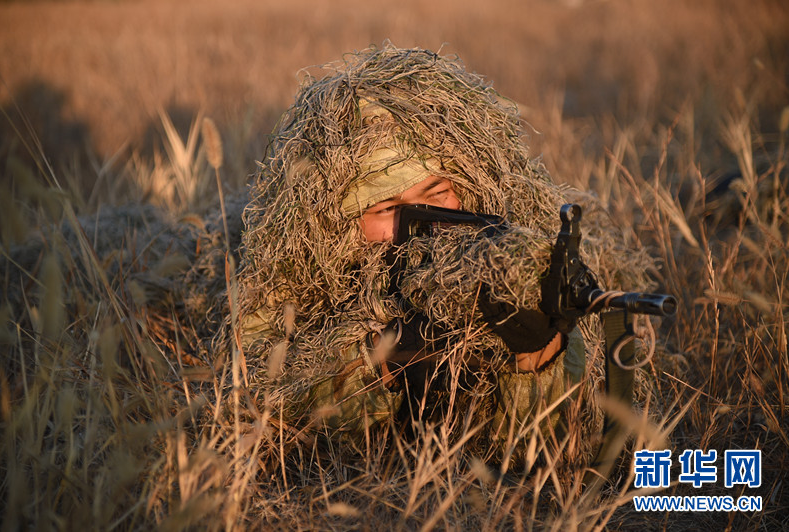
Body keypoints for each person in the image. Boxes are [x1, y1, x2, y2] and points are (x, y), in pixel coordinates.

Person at [234, 45, 588, 460]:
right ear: (335, 223)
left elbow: (562, 449)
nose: (419, 223)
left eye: (436, 192)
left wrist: (535, 361)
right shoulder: (296, 264)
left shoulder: (509, 254)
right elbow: (260, 388)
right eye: (385, 208)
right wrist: (380, 360)